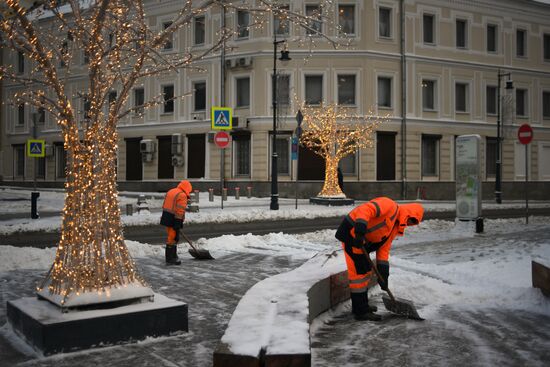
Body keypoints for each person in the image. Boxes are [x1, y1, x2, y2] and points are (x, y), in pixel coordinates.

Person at [335, 197, 424, 321]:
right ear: (408, 214)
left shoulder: (394, 228)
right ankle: (360, 312)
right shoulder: (389, 205)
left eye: (413, 223)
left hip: (362, 242)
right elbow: (365, 209)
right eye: (411, 220)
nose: (409, 224)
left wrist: (384, 275)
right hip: (351, 234)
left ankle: (363, 307)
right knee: (359, 275)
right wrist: (360, 232)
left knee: (365, 273)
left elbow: (383, 249)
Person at [160, 180, 192, 265]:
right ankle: (170, 258)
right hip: (174, 218)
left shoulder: (172, 191)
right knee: (173, 237)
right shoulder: (182, 195)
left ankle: (173, 256)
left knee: (172, 236)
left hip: (166, 216)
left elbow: (165, 205)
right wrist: (177, 223)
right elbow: (180, 211)